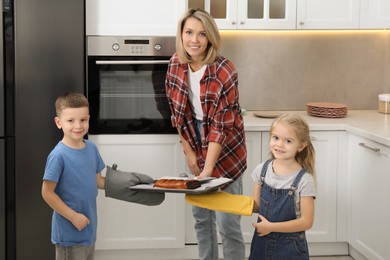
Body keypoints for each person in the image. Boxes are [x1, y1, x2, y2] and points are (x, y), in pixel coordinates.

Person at [165, 8, 247, 260]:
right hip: (194, 138)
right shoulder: (175, 64)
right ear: (181, 34)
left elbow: (222, 126)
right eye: (189, 32)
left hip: (225, 148)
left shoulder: (224, 70)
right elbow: (177, 114)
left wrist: (208, 167)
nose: (194, 40)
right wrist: (189, 153)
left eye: (202, 34)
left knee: (228, 224)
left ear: (210, 37)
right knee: (202, 219)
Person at [42, 92, 164, 260]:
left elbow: (98, 181)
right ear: (58, 122)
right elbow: (47, 193)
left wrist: (132, 184)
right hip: (69, 232)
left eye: (83, 120)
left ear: (89, 119)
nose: (78, 126)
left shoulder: (91, 148)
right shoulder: (58, 156)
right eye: (71, 121)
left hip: (89, 228)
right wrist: (73, 217)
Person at [249, 114, 316, 260]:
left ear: (301, 145)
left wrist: (271, 227)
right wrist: (228, 202)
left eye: (288, 141)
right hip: (261, 243)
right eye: (276, 138)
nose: (279, 144)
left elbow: (307, 222)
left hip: (290, 248)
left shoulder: (305, 180)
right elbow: (256, 206)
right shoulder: (262, 170)